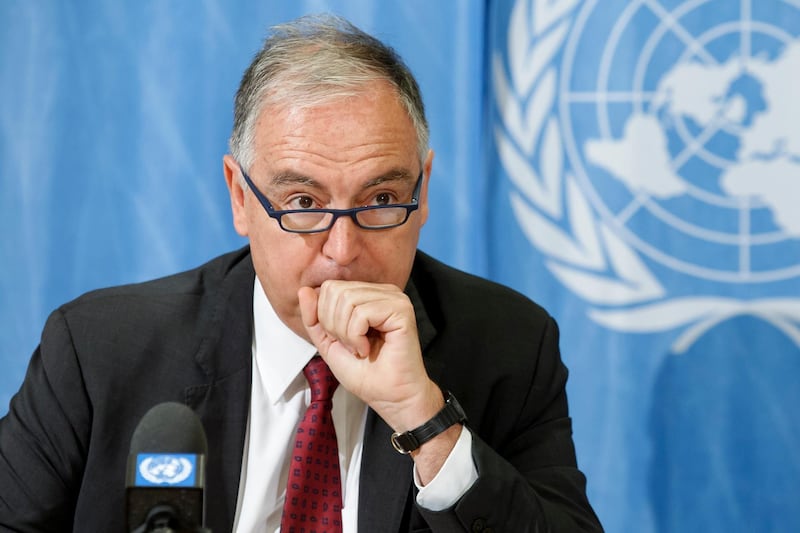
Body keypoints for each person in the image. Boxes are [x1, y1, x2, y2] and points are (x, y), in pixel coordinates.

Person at [0, 14, 602, 533]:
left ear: (424, 194)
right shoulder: (100, 352)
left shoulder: (509, 348)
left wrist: (426, 421)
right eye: (304, 204)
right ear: (240, 197)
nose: (343, 249)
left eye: (381, 198)